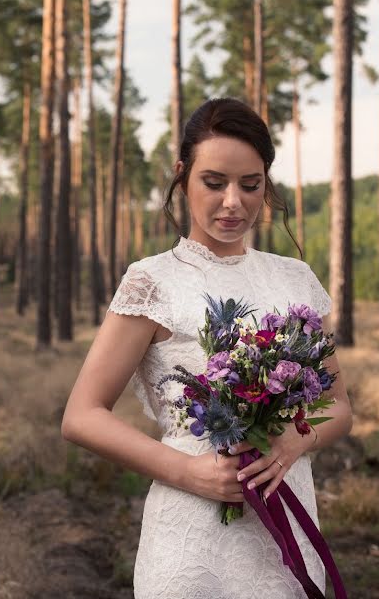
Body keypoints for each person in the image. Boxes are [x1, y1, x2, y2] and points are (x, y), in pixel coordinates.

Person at [61, 98, 353, 598]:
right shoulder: (153, 281)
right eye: (214, 182)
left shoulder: (295, 279)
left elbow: (338, 406)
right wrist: (190, 472)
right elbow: (82, 416)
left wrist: (294, 441)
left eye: (250, 184)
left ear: (267, 183)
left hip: (286, 524)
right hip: (192, 536)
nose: (233, 202)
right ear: (183, 176)